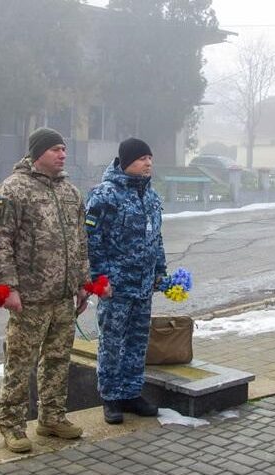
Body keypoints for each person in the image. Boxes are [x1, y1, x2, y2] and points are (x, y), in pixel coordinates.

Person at [0, 128, 89, 452]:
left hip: (62, 296)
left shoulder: (70, 192)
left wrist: (82, 283)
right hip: (29, 298)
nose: (62, 155)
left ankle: (52, 417)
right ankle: (12, 425)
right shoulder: (13, 189)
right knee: (20, 363)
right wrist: (9, 287)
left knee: (58, 359)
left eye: (64, 149)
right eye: (55, 149)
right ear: (37, 153)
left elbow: (80, 241)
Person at [86, 138, 167, 422]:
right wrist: (99, 278)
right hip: (116, 287)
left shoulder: (151, 197)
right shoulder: (105, 195)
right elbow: (91, 241)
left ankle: (131, 394)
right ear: (126, 161)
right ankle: (110, 398)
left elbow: (156, 237)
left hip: (143, 286)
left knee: (137, 342)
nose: (148, 163)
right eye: (142, 158)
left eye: (150, 158)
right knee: (111, 342)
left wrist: (159, 271)